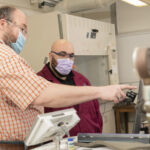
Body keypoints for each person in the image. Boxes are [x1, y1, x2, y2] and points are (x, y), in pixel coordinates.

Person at [0, 6, 136, 141]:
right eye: (22, 29)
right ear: (3, 24)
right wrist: (101, 91)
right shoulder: (5, 56)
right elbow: (42, 94)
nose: (24, 37)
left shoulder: (82, 80)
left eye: (71, 56)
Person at [37, 39, 103, 135]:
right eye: (62, 54)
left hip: (90, 142)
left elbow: (97, 115)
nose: (67, 60)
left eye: (71, 56)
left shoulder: (83, 81)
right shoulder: (39, 83)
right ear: (51, 56)